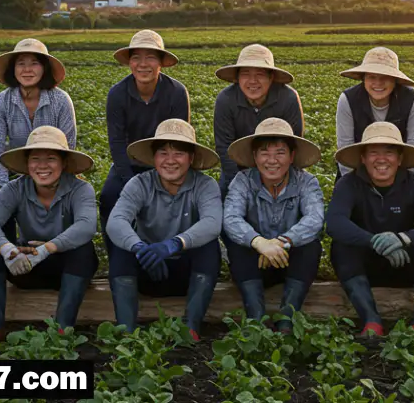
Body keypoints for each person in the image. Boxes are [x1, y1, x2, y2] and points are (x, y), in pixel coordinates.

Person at [0, 126, 97, 347]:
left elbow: (86, 226)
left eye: (51, 158)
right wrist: (8, 250)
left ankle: (63, 327)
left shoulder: (81, 189)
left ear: (63, 163)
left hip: (66, 266)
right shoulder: (14, 189)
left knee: (84, 250)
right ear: (27, 164)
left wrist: (48, 248)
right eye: (35, 159)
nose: (42, 166)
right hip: (27, 265)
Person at [326, 122, 414, 336]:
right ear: (363, 158)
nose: (381, 159)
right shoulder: (348, 184)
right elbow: (335, 223)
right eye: (373, 153)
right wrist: (374, 241)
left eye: (389, 153)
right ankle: (371, 320)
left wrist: (403, 239)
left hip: (403, 262)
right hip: (364, 265)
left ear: (400, 159)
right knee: (341, 248)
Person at [106, 119, 222, 341]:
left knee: (209, 247)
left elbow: (212, 222)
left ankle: (191, 327)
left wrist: (174, 244)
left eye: (178, 153)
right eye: (163, 153)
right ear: (154, 158)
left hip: (186, 273)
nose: (170, 161)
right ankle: (127, 332)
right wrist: (139, 247)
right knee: (121, 250)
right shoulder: (139, 183)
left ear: (191, 158)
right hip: (148, 268)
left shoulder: (205, 185)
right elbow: (116, 221)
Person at [223, 117, 324, 331]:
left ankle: (287, 315)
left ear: (292, 156)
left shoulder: (307, 182)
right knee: (238, 248)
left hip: (289, 258)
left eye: (280, 152)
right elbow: (231, 218)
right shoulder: (242, 181)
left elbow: (314, 219)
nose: (272, 160)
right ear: (254, 156)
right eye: (264, 153)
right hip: (254, 261)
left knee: (312, 247)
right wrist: (259, 242)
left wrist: (282, 242)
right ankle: (256, 317)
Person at [100, 30, 190, 252]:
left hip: (168, 165)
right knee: (109, 196)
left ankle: (175, 250)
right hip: (130, 165)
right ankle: (117, 257)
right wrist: (130, 181)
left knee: (185, 200)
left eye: (150, 57)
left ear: (161, 62)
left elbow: (179, 141)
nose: (143, 64)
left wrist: (166, 176)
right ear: (129, 63)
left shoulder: (177, 92)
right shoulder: (117, 94)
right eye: (136, 57)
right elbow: (117, 143)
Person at [0, 38, 76, 197]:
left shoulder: (61, 101)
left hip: (52, 173)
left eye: (34, 63)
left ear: (44, 68)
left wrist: (50, 182)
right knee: (0, 197)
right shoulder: (1, 101)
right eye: (21, 63)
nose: (27, 69)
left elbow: (68, 148)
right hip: (15, 171)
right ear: (13, 69)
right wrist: (5, 187)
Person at [214, 44, 304, 198]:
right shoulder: (226, 99)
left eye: (260, 74)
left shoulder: (288, 98)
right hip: (238, 169)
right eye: (246, 74)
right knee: (226, 207)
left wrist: (278, 182)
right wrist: (240, 186)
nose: (252, 81)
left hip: (278, 167)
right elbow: (224, 148)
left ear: (271, 77)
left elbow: (294, 142)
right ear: (237, 78)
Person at [336, 47, 414, 179]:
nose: (378, 83)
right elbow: (346, 147)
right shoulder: (348, 99)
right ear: (363, 78)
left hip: (401, 174)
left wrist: (408, 186)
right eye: (372, 77)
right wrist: (354, 186)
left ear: (394, 80)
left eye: (385, 77)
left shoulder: (411, 99)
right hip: (357, 174)